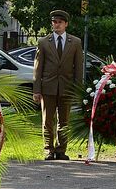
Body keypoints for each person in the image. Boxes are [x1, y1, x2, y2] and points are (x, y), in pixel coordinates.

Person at [33, 9, 84, 161]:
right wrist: (37, 90)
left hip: (67, 88)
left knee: (64, 121)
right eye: (54, 22)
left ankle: (61, 150)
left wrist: (78, 90)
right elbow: (38, 67)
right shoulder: (43, 42)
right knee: (47, 120)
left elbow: (78, 68)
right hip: (48, 87)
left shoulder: (75, 42)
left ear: (66, 24)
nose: (57, 25)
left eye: (60, 22)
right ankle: (49, 149)